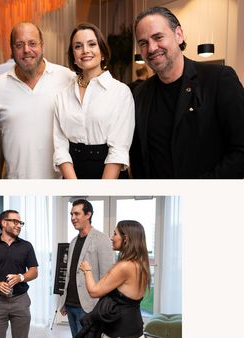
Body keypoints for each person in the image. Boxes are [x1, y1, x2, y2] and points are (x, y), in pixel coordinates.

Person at [131, 6, 244, 178]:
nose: (152, 48)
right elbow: (139, 158)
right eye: (143, 43)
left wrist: (195, 191)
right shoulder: (140, 94)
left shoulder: (219, 80)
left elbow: (240, 151)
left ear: (179, 34)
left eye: (158, 37)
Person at [0, 22, 73, 179]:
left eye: (32, 43)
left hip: (60, 186)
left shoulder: (67, 78)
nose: (26, 50)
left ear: (42, 45)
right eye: (19, 45)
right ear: (12, 49)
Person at [53, 23, 135, 179]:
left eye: (92, 44)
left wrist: (101, 193)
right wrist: (74, 187)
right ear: (73, 57)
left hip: (109, 174)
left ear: (102, 51)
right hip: (72, 174)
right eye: (78, 46)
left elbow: (118, 150)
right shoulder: (62, 95)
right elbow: (60, 147)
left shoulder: (121, 92)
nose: (85, 50)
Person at [77, 220, 150, 338]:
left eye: (115, 234)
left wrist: (87, 270)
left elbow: (94, 291)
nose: (111, 238)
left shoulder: (125, 266)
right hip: (135, 327)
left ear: (125, 238)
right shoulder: (141, 264)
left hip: (120, 331)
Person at [0, 210, 38, 338]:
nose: (19, 225)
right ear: (4, 223)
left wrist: (21, 277)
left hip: (20, 300)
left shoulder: (26, 246)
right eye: (15, 222)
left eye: (20, 222)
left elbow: (34, 271)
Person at [59, 199, 114, 338]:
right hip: (70, 304)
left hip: (89, 306)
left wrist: (100, 309)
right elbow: (70, 274)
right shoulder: (72, 242)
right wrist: (64, 302)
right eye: (71, 214)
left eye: (76, 214)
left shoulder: (102, 239)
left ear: (88, 214)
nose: (72, 218)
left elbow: (107, 277)